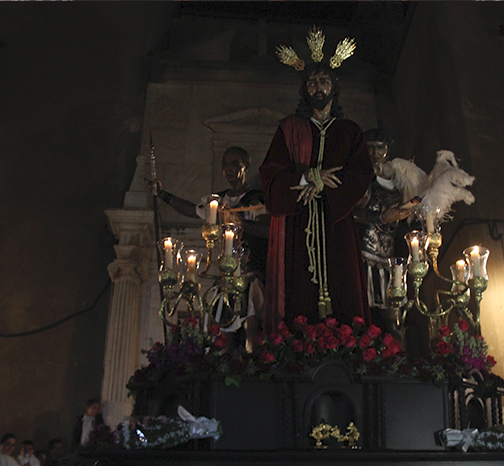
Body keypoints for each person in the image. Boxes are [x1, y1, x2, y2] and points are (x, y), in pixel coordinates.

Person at [259, 61, 373, 331]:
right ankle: (298, 348)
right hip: (299, 223)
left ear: (334, 87)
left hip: (337, 220)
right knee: (299, 288)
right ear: (304, 89)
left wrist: (323, 185)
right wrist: (307, 177)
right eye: (312, 82)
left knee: (342, 280)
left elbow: (360, 174)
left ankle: (348, 343)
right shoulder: (289, 129)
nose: (318, 87)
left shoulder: (350, 131)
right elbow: (271, 173)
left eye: (324, 81)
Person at [150, 146, 269, 346]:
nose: (228, 169)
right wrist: (163, 195)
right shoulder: (217, 202)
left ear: (246, 166)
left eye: (235, 164)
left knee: (251, 322)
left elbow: (268, 230)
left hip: (251, 270)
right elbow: (191, 210)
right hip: (225, 273)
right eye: (225, 164)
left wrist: (242, 223)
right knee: (223, 325)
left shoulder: (257, 199)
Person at [353, 128, 417, 331]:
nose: (374, 153)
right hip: (364, 255)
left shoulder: (398, 182)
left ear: (387, 150)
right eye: (370, 148)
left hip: (390, 259)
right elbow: (350, 212)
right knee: (362, 318)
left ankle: (398, 360)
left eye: (379, 148)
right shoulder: (362, 178)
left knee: (395, 319)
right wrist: (379, 217)